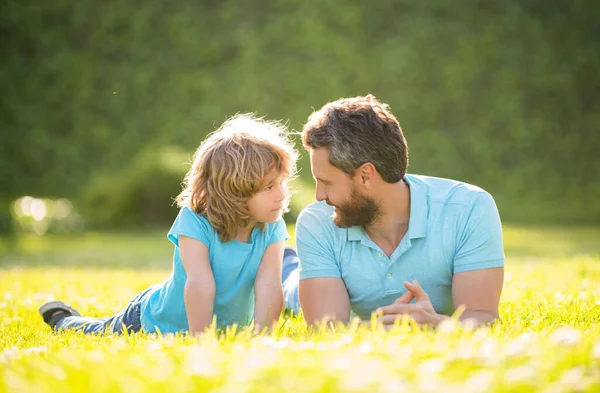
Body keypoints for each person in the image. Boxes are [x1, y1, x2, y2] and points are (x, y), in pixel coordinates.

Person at [39, 114, 299, 335]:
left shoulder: (271, 226)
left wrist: (260, 339)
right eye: (268, 186)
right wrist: (202, 342)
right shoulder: (196, 221)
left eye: (282, 183)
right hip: (155, 320)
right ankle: (63, 319)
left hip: (223, 327)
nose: (282, 195)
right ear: (235, 190)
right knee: (99, 331)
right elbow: (200, 283)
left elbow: (269, 284)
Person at [294, 94, 505, 328]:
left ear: (366, 175)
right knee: (291, 289)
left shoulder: (469, 208)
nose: (319, 196)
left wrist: (437, 324)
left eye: (326, 182)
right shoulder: (317, 221)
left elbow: (484, 318)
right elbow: (326, 330)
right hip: (303, 284)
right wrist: (389, 328)